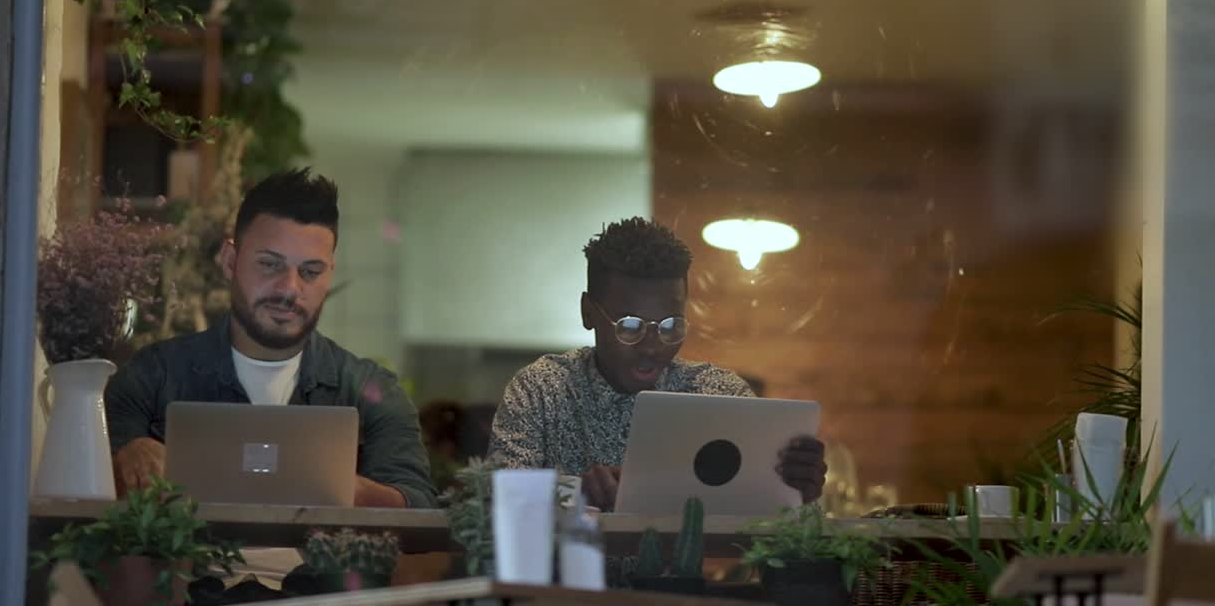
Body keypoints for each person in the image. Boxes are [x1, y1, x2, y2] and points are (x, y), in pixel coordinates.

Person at [105, 168, 436, 509]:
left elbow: (418, 508)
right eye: (269, 264)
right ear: (230, 261)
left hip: (318, 564)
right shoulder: (151, 375)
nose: (289, 289)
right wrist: (128, 459)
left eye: (310, 272)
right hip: (186, 564)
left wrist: (345, 490)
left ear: (329, 275)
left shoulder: (374, 392)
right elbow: (86, 500)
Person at [488, 217, 827, 511]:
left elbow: (767, 534)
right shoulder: (541, 390)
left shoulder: (718, 396)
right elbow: (494, 506)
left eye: (670, 327)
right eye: (631, 327)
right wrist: (573, 493)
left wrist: (800, 497)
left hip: (676, 589)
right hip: (561, 588)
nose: (652, 347)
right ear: (588, 313)